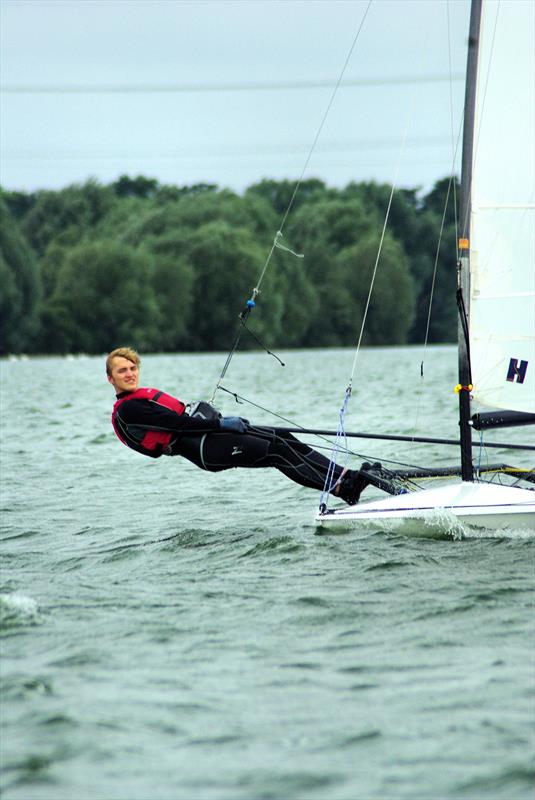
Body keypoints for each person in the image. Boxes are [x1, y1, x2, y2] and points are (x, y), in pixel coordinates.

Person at [106, 347, 373, 505]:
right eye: (122, 371)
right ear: (111, 379)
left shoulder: (139, 397)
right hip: (202, 449)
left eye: (132, 368)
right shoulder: (129, 408)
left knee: (283, 436)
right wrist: (219, 422)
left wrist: (210, 418)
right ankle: (342, 490)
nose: (130, 373)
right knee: (275, 452)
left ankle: (345, 476)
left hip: (209, 435)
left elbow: (181, 416)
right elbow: (175, 423)